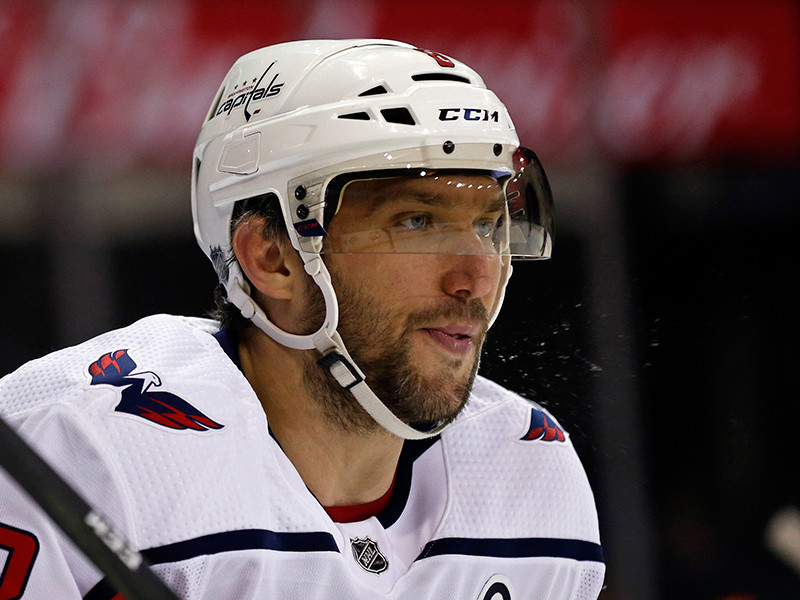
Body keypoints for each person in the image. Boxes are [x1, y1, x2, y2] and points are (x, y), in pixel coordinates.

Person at [0, 39, 604, 599]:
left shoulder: (528, 468)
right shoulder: (79, 451)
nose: (475, 278)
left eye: (487, 225)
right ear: (273, 258)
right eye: (416, 223)